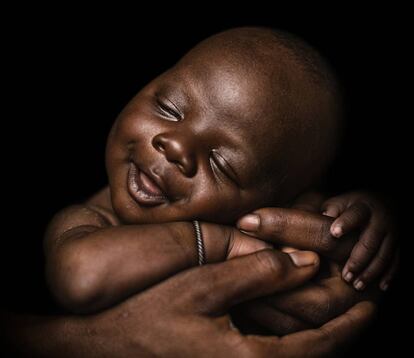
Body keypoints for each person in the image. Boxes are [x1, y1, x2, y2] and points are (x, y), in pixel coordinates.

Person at [43, 27, 397, 322]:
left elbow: (320, 228)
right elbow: (82, 277)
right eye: (169, 108)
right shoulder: (89, 219)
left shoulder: (262, 224)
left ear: (280, 205)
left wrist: (356, 224)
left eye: (222, 165)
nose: (177, 147)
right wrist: (220, 243)